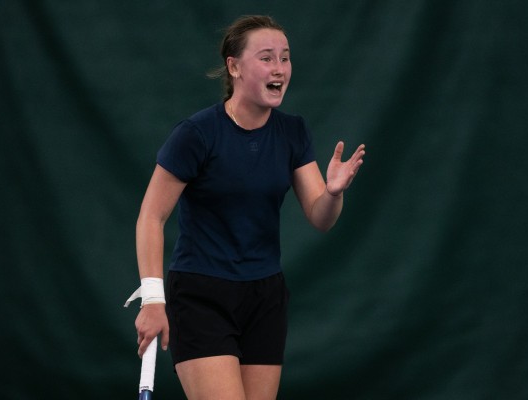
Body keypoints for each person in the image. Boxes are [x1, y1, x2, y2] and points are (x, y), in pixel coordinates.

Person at [131, 15, 365, 400]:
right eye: (266, 58)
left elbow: (320, 217)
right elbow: (150, 217)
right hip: (201, 295)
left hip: (265, 298)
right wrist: (153, 299)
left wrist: (334, 193)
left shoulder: (292, 132)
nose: (279, 68)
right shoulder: (196, 134)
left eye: (285, 58)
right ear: (234, 67)